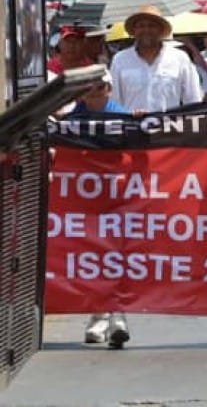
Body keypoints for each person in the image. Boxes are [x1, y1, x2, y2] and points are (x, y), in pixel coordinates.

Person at [69, 69, 132, 349]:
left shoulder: (122, 114)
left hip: (117, 194)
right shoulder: (72, 118)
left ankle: (118, 316)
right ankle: (97, 317)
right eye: (90, 88)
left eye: (101, 87)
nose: (95, 92)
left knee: (117, 254)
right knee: (91, 256)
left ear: (109, 89)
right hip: (85, 197)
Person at [109, 5, 203, 112]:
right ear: (134, 31)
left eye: (152, 25)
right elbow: (114, 101)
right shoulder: (120, 59)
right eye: (141, 26)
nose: (146, 30)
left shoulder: (179, 58)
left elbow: (193, 99)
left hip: (169, 126)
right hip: (132, 126)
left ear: (160, 30)